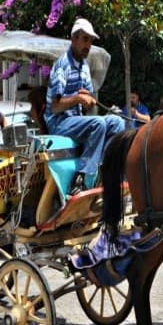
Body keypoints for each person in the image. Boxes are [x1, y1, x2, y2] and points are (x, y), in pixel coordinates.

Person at [45, 18, 126, 195]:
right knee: (99, 124)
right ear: (74, 39)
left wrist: (88, 101)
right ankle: (81, 179)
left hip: (77, 121)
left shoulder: (84, 67)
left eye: (90, 41)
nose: (88, 45)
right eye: (85, 39)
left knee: (118, 123)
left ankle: (104, 171)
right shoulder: (62, 65)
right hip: (59, 123)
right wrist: (79, 99)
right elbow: (55, 107)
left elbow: (88, 107)